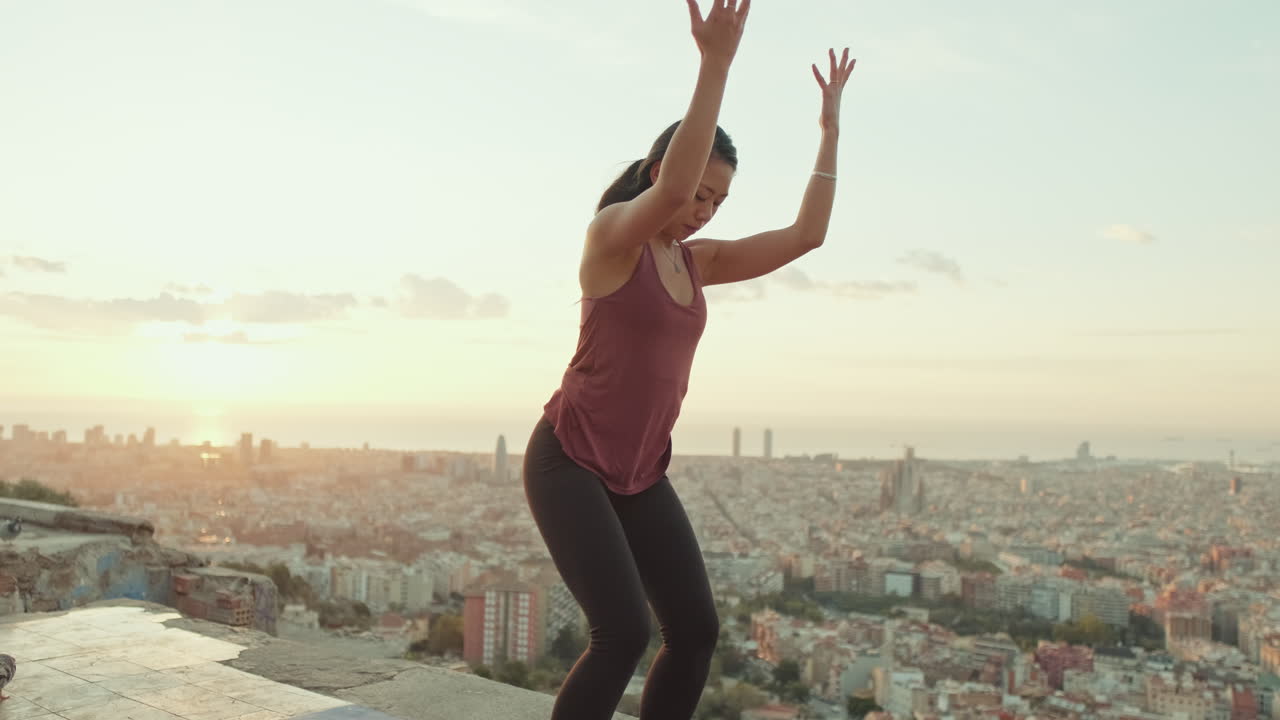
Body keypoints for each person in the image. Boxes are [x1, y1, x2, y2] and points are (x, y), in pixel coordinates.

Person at [523, 1, 855, 717]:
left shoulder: (694, 263)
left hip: (641, 472)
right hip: (570, 461)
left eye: (719, 198)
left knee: (696, 631)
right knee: (622, 633)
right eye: (700, 191)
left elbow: (807, 236)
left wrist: (829, 134)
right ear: (657, 169)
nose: (705, 208)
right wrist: (715, 66)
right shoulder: (612, 239)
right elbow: (669, 190)